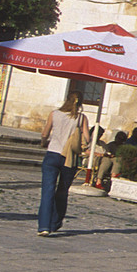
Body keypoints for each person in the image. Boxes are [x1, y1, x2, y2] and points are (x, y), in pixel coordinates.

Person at [38, 92, 91, 236]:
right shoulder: (81, 118)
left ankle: (44, 226)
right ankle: (55, 222)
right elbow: (86, 139)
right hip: (69, 157)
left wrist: (44, 143)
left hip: (52, 154)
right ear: (80, 103)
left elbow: (45, 133)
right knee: (62, 191)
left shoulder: (54, 114)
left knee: (47, 191)